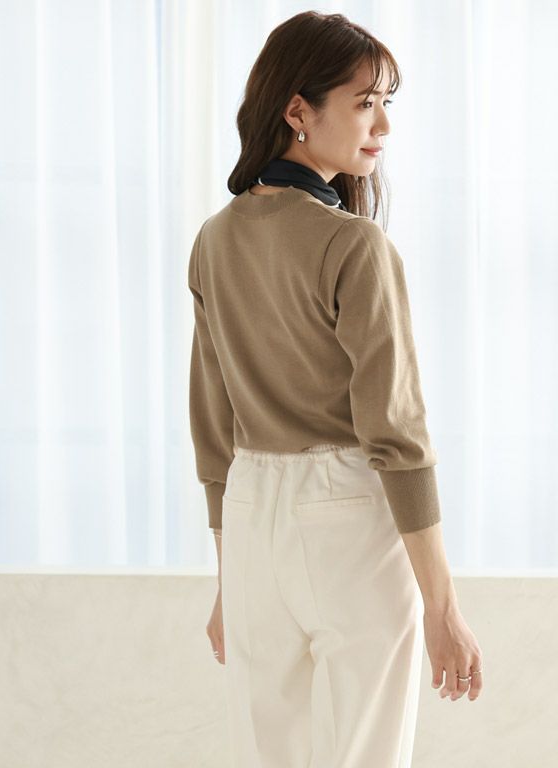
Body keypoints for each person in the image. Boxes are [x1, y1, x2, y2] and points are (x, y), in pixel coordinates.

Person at [188, 11, 483, 767]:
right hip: (345, 515)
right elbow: (396, 433)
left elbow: (213, 425)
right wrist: (443, 608)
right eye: (364, 102)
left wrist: (229, 579)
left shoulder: (215, 238)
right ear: (298, 110)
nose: (382, 125)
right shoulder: (354, 243)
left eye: (387, 102)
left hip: (250, 517)